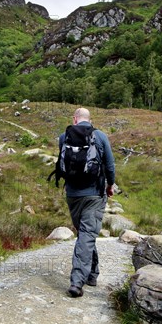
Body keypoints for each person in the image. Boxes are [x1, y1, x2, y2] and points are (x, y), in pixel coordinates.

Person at [59, 107, 115, 298]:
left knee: (85, 233)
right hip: (94, 195)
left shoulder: (63, 137)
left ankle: (92, 274)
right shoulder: (100, 137)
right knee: (87, 234)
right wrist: (111, 185)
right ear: (90, 120)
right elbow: (109, 165)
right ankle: (77, 281)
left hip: (73, 195)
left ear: (74, 119)